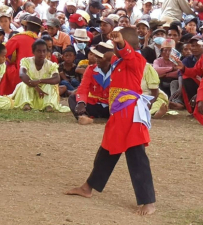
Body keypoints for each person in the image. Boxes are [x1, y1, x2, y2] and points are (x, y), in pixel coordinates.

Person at [65, 27, 156, 216]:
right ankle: (88, 187)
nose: (114, 48)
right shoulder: (117, 60)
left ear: (127, 45)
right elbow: (109, 56)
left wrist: (121, 43)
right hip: (118, 114)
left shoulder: (137, 60)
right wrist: (110, 45)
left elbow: (126, 52)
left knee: (137, 157)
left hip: (131, 115)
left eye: (117, 45)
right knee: (106, 151)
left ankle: (148, 201)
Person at [9, 39, 70, 112]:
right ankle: (26, 104)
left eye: (44, 51)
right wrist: (35, 86)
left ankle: (48, 105)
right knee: (24, 85)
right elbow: (22, 74)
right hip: (30, 85)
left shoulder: (51, 64)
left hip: (43, 90)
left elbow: (56, 78)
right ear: (33, 52)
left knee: (50, 86)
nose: (42, 53)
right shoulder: (26, 61)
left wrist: (40, 81)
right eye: (39, 51)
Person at [68, 42, 113, 124]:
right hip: (94, 104)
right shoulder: (91, 69)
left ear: (109, 60)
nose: (97, 60)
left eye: (100, 58)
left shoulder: (117, 71)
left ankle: (115, 117)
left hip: (111, 106)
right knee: (72, 98)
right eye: (97, 57)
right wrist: (81, 102)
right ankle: (83, 116)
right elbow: (83, 87)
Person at [174, 33, 203, 113]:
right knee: (186, 79)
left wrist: (200, 94)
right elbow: (195, 71)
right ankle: (194, 109)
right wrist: (184, 68)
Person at [0, 16, 42, 96]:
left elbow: (3, 54)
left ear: (25, 27)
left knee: (4, 65)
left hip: (20, 77)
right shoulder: (42, 42)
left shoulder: (18, 38)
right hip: (39, 77)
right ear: (39, 30)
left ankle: (1, 93)